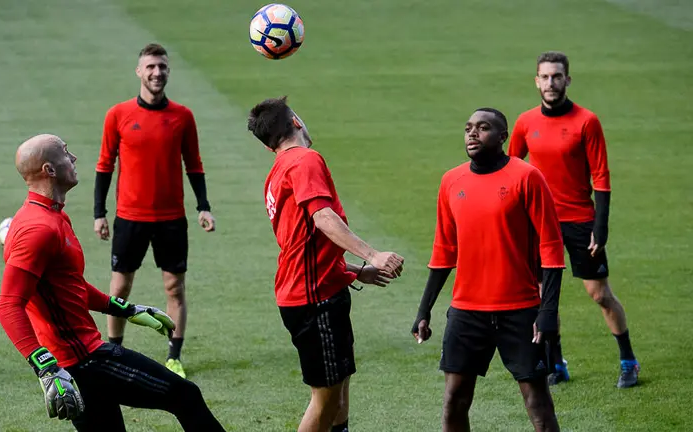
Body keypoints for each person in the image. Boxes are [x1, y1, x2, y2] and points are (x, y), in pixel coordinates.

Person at [0, 134, 226, 431]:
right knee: (186, 396)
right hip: (83, 361)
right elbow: (8, 305)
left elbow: (70, 286)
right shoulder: (37, 230)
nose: (74, 158)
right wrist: (47, 368)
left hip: (75, 362)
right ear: (49, 170)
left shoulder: (52, 217)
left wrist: (127, 310)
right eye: (66, 153)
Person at [247, 96, 405, 432]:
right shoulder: (304, 161)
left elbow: (303, 242)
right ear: (295, 122)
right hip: (312, 299)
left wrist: (353, 271)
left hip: (318, 289)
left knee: (340, 386)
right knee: (325, 399)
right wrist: (372, 254)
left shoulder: (278, 170)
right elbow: (322, 218)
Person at [412, 108, 564, 432]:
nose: (472, 134)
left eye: (483, 128)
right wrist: (424, 310)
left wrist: (548, 311)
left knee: (538, 403)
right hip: (467, 313)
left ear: (503, 137)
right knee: (454, 401)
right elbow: (444, 251)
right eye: (468, 128)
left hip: (520, 311)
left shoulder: (527, 177)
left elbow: (551, 248)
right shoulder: (451, 181)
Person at [508, 51, 639, 388]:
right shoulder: (525, 123)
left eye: (557, 76)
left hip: (580, 220)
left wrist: (601, 226)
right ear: (536, 81)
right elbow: (510, 171)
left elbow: (602, 177)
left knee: (599, 294)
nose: (551, 83)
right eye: (545, 77)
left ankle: (628, 361)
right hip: (539, 223)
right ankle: (556, 364)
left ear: (567, 79)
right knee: (543, 296)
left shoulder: (586, 121)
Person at [94, 43, 215, 378]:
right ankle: (114, 351)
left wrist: (203, 206)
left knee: (174, 288)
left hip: (172, 220)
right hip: (129, 218)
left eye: (162, 67)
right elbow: (104, 166)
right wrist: (99, 213)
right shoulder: (117, 115)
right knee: (119, 289)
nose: (157, 73)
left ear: (168, 71)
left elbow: (194, 165)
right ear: (139, 72)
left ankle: (173, 357)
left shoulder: (183, 116)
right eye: (150, 67)